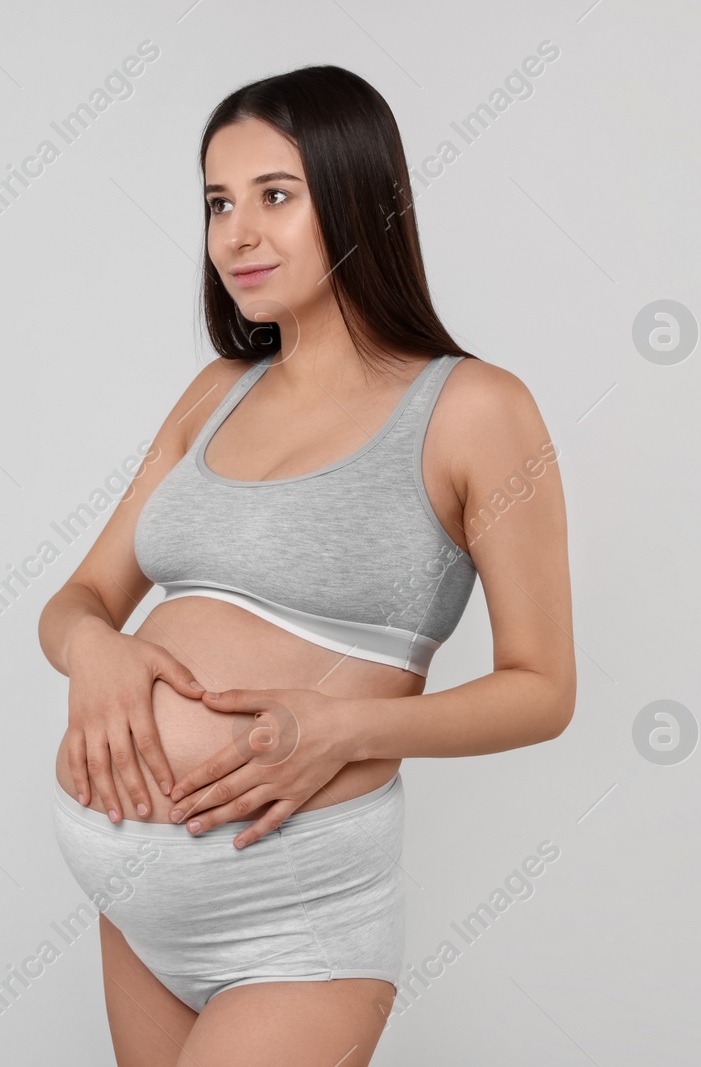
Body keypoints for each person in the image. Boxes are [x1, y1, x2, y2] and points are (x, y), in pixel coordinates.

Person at [37, 65, 576, 1066]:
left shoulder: (475, 409)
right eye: (216, 202)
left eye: (274, 195)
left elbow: (543, 690)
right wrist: (94, 652)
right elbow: (74, 600)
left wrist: (344, 726)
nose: (236, 232)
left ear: (358, 196)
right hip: (136, 912)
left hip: (297, 921)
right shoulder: (215, 392)